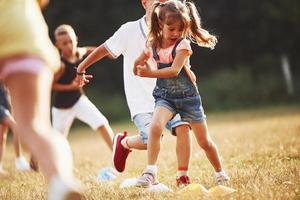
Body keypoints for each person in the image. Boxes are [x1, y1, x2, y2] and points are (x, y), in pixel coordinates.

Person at [77, 0, 192, 187]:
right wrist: (81, 67)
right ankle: (124, 143)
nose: (161, 4)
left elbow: (180, 59)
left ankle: (182, 177)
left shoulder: (173, 28)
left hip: (171, 95)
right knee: (151, 139)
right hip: (142, 101)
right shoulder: (129, 30)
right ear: (145, 3)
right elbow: (104, 49)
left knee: (184, 127)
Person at [133, 0, 230, 187]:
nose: (176, 33)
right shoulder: (153, 43)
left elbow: (174, 71)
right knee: (154, 127)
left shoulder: (183, 45)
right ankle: (150, 171)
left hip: (188, 100)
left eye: (180, 29)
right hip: (165, 97)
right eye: (172, 29)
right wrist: (137, 67)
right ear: (161, 24)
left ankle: (220, 172)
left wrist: (149, 73)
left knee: (205, 142)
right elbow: (139, 62)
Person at [0, 0, 82, 199]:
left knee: (29, 129)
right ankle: (62, 181)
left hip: (7, 36)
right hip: (31, 38)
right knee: (36, 127)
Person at [52, 24, 115, 152]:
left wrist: (106, 51)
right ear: (58, 46)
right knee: (56, 142)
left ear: (76, 39)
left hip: (78, 100)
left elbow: (87, 50)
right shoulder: (60, 65)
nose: (69, 46)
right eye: (64, 44)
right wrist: (71, 86)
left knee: (102, 123)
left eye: (71, 41)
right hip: (61, 108)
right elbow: (51, 85)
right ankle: (36, 158)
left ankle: (117, 154)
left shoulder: (78, 53)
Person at [0, 84, 30, 175]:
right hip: (1, 108)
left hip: (5, 105)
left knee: (2, 138)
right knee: (16, 127)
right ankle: (19, 159)